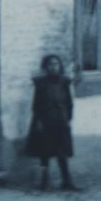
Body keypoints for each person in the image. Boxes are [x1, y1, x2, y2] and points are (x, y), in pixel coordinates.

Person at [24, 54, 77, 191]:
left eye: (56, 64)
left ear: (60, 66)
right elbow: (36, 105)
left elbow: (69, 103)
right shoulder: (41, 84)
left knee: (62, 153)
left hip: (60, 122)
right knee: (44, 154)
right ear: (45, 67)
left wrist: (67, 119)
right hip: (45, 122)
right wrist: (38, 122)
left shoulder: (64, 82)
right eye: (50, 64)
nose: (53, 67)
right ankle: (44, 181)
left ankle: (67, 181)